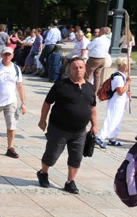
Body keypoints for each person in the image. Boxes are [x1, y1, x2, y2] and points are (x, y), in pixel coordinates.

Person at [36, 57, 97, 193]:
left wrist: (94, 125)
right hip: (59, 128)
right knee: (52, 155)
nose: (78, 70)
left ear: (85, 69)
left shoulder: (90, 88)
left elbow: (92, 107)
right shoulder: (61, 85)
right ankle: (43, 173)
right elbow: (47, 103)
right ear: (70, 69)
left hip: (80, 131)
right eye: (75, 67)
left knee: (76, 157)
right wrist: (42, 120)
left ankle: (70, 182)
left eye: (80, 67)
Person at [0, 47, 27, 158]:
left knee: (12, 124)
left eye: (9, 55)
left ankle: (10, 147)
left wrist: (23, 102)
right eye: (5, 54)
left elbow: (19, 85)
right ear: (1, 55)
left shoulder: (16, 68)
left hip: (11, 101)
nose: (7, 57)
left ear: (12, 55)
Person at [96, 57, 132, 148]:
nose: (130, 67)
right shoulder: (118, 77)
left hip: (120, 101)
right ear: (124, 66)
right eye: (129, 65)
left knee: (118, 120)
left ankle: (112, 138)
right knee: (112, 119)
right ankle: (100, 137)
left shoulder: (121, 76)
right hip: (116, 102)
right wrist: (127, 83)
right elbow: (120, 92)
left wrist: (127, 92)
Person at [85, 27, 111, 91]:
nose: (98, 33)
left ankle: (86, 90)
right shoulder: (108, 40)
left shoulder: (98, 39)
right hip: (102, 60)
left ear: (103, 32)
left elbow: (88, 47)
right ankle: (95, 91)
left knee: (87, 75)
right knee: (97, 77)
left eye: (100, 31)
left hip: (94, 59)